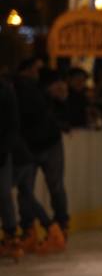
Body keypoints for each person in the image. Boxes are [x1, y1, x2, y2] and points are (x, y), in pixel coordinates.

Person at [15, 59, 69, 252]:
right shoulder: (32, 88)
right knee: (41, 187)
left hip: (41, 144)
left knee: (28, 189)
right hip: (36, 145)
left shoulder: (36, 87)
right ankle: (55, 227)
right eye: (35, 69)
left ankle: (38, 229)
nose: (38, 72)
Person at [0, 79, 24, 262]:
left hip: (2, 151)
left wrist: (5, 149)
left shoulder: (5, 90)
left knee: (4, 193)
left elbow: (13, 123)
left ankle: (11, 236)